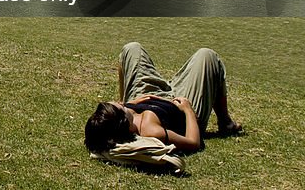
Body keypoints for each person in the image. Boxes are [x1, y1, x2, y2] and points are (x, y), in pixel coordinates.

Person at [84, 42, 242, 155]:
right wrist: (187, 110)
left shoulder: (128, 116)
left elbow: (125, 107)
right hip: (182, 105)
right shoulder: (151, 130)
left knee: (131, 49)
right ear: (123, 119)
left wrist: (135, 103)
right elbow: (193, 143)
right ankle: (225, 122)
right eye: (120, 106)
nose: (120, 102)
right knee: (207, 56)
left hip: (153, 97)